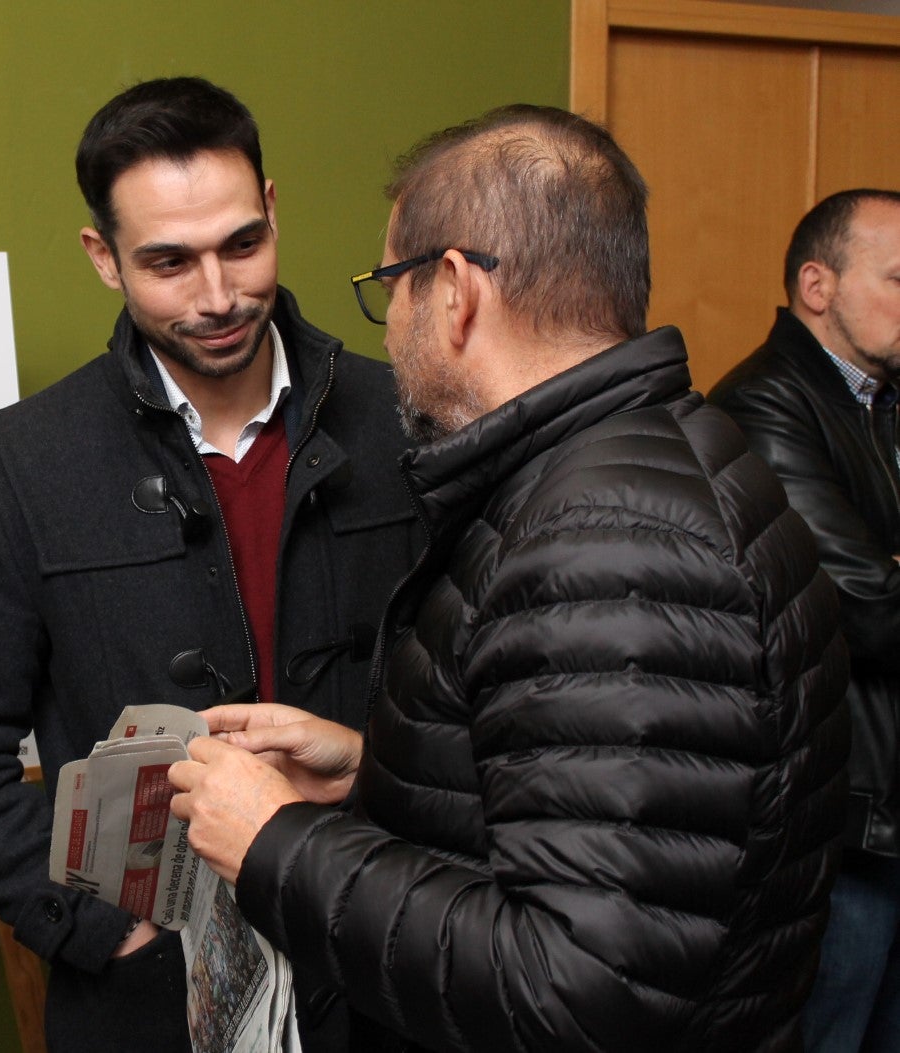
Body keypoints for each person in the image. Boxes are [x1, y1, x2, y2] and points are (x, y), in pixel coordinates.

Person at [167, 104, 851, 1051]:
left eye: (389, 289)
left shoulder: (605, 543)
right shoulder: (641, 467)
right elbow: (614, 821)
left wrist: (277, 841)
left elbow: (576, 987)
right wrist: (377, 770)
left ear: (452, 291)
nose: (392, 326)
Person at [0, 76, 416, 1051]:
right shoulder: (18, 467)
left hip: (387, 960)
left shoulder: (407, 425)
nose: (217, 296)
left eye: (241, 247)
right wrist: (99, 928)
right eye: (168, 262)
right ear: (103, 258)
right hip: (146, 1004)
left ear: (272, 210)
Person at [710, 189, 900, 1053]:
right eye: (897, 278)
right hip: (841, 827)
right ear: (816, 286)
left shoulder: (881, 399)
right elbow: (873, 610)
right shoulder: (763, 403)